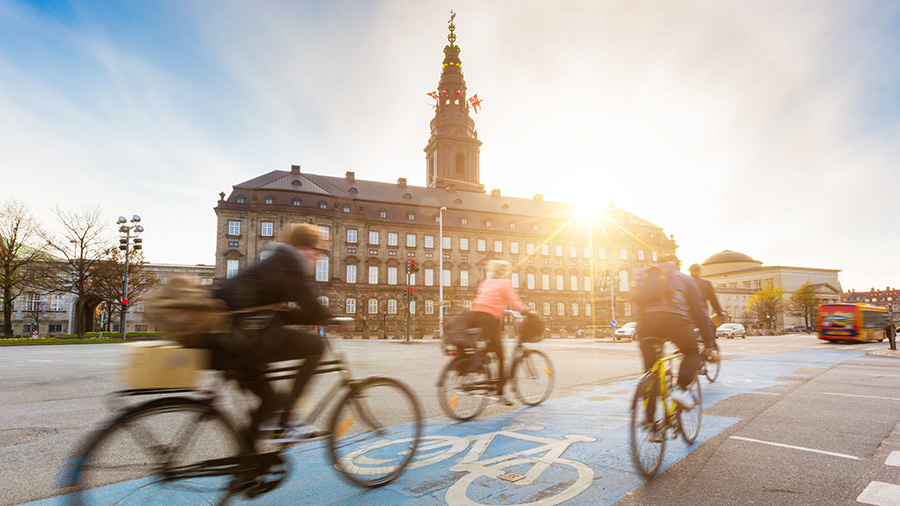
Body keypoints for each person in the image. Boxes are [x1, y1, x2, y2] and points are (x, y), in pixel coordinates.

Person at [213, 223, 332, 448]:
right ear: (303, 247)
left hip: (230, 337)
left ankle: (247, 471)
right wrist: (328, 316)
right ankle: (288, 420)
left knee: (270, 402)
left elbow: (281, 315)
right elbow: (311, 308)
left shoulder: (278, 261)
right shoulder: (289, 263)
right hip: (239, 338)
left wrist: (318, 316)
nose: (318, 255)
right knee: (316, 346)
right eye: (316, 249)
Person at [633, 259, 719, 411]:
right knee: (692, 351)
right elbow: (699, 313)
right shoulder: (683, 278)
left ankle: (650, 428)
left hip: (646, 323)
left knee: (651, 372)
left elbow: (635, 302)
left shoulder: (645, 276)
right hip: (674, 320)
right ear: (676, 266)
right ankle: (680, 389)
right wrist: (709, 344)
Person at [469, 260, 528, 405]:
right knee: (501, 356)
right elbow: (514, 302)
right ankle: (500, 393)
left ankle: (479, 365)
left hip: (474, 317)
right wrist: (527, 312)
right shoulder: (504, 284)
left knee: (486, 349)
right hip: (488, 320)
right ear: (503, 272)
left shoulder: (484, 282)